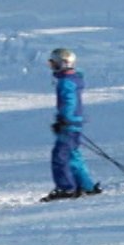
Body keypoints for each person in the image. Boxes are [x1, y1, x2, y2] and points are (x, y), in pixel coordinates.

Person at [41, 48, 102, 201]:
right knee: (73, 155)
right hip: (73, 123)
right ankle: (86, 186)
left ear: (63, 63)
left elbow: (70, 102)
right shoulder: (72, 79)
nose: (52, 67)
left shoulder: (65, 82)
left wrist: (64, 119)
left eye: (53, 63)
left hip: (69, 124)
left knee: (60, 156)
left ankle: (66, 188)